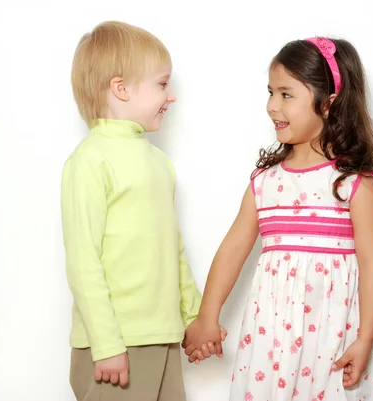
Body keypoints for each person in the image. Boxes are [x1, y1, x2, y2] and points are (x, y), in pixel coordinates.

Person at [182, 37, 373, 400]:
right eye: (270, 92)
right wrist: (207, 316)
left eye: (285, 94)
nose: (271, 106)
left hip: (334, 337)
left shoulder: (352, 183)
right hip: (272, 341)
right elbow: (234, 247)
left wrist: (364, 339)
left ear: (328, 104)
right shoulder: (266, 182)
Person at [60, 20, 223, 401]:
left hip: (161, 337)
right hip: (116, 344)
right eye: (163, 84)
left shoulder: (158, 162)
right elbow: (83, 260)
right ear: (121, 88)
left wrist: (194, 318)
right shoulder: (90, 160)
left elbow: (172, 250)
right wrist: (106, 345)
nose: (171, 97)